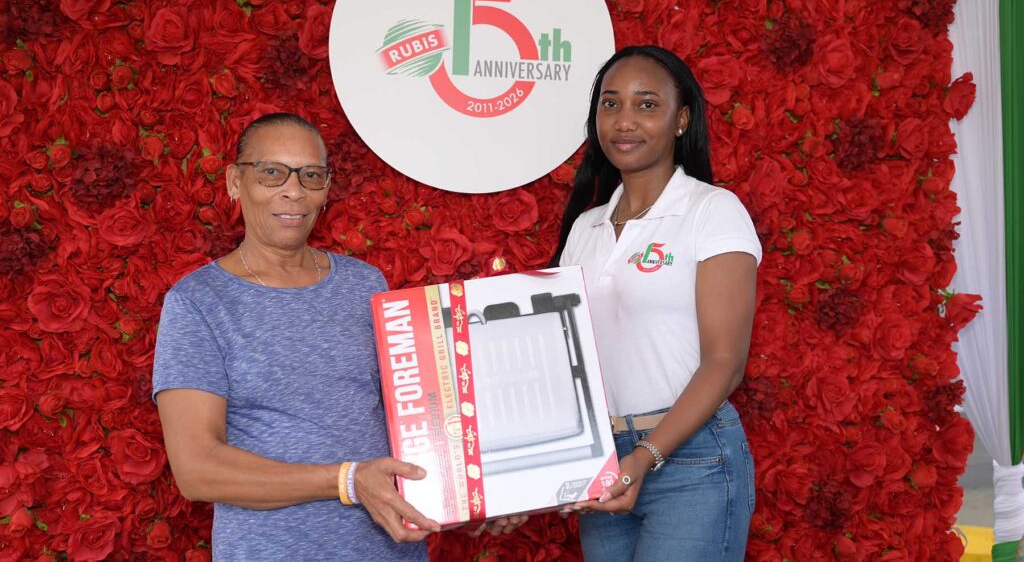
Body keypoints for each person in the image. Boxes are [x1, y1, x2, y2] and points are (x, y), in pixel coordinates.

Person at [153, 113, 517, 560]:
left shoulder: (364, 284)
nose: (294, 190)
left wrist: (472, 489)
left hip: (387, 550)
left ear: (326, 189)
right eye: (272, 172)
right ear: (234, 181)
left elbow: (415, 415)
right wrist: (347, 480)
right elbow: (197, 469)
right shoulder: (198, 302)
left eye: (311, 175)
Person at [554, 46, 761, 561]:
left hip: (691, 461)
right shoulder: (585, 227)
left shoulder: (712, 211)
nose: (624, 121)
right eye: (610, 104)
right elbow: (565, 362)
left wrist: (645, 457)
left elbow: (725, 362)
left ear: (681, 119)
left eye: (647, 105)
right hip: (606, 463)